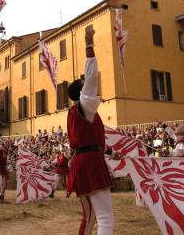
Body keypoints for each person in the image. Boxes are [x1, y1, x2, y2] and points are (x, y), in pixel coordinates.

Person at [66, 26, 114, 235]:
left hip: (82, 162)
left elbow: (90, 141)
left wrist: (111, 152)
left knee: (91, 216)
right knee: (105, 218)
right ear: (82, 92)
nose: (89, 85)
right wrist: (88, 44)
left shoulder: (77, 112)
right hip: (90, 163)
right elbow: (92, 76)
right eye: (84, 85)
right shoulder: (84, 105)